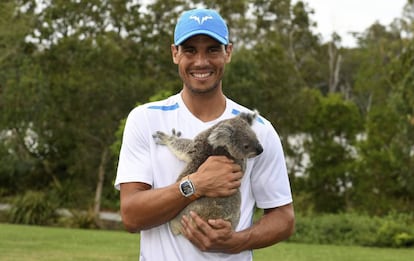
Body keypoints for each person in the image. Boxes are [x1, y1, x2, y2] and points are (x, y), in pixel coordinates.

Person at [114, 8, 295, 261]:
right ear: (175, 53)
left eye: (212, 49)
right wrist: (195, 185)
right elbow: (131, 216)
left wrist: (236, 242)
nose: (201, 61)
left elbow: (284, 218)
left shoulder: (258, 131)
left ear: (228, 53)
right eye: (190, 50)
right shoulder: (145, 119)